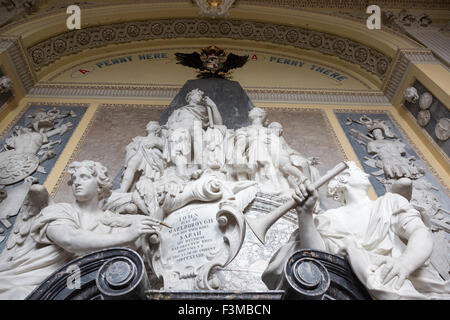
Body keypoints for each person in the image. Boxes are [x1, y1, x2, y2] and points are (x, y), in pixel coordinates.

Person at [262, 161, 449, 299]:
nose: (367, 175)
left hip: (401, 279)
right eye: (359, 171)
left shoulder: (390, 203)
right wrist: (305, 214)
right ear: (342, 179)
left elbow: (420, 233)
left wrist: (404, 264)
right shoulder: (328, 219)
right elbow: (316, 259)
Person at [0, 160, 158, 299]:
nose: (76, 182)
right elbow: (69, 239)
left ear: (99, 186)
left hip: (77, 288)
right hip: (32, 285)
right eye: (74, 178)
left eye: (84, 177)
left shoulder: (111, 223)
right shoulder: (59, 211)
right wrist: (128, 235)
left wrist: (147, 234)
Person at [119, 121, 166, 193]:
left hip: (150, 158)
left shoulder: (158, 139)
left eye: (151, 124)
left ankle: (143, 192)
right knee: (130, 167)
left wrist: (155, 143)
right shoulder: (139, 138)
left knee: (145, 177)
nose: (148, 125)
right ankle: (123, 189)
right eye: (148, 124)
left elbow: (165, 147)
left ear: (156, 129)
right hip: (138, 155)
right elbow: (129, 147)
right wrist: (132, 148)